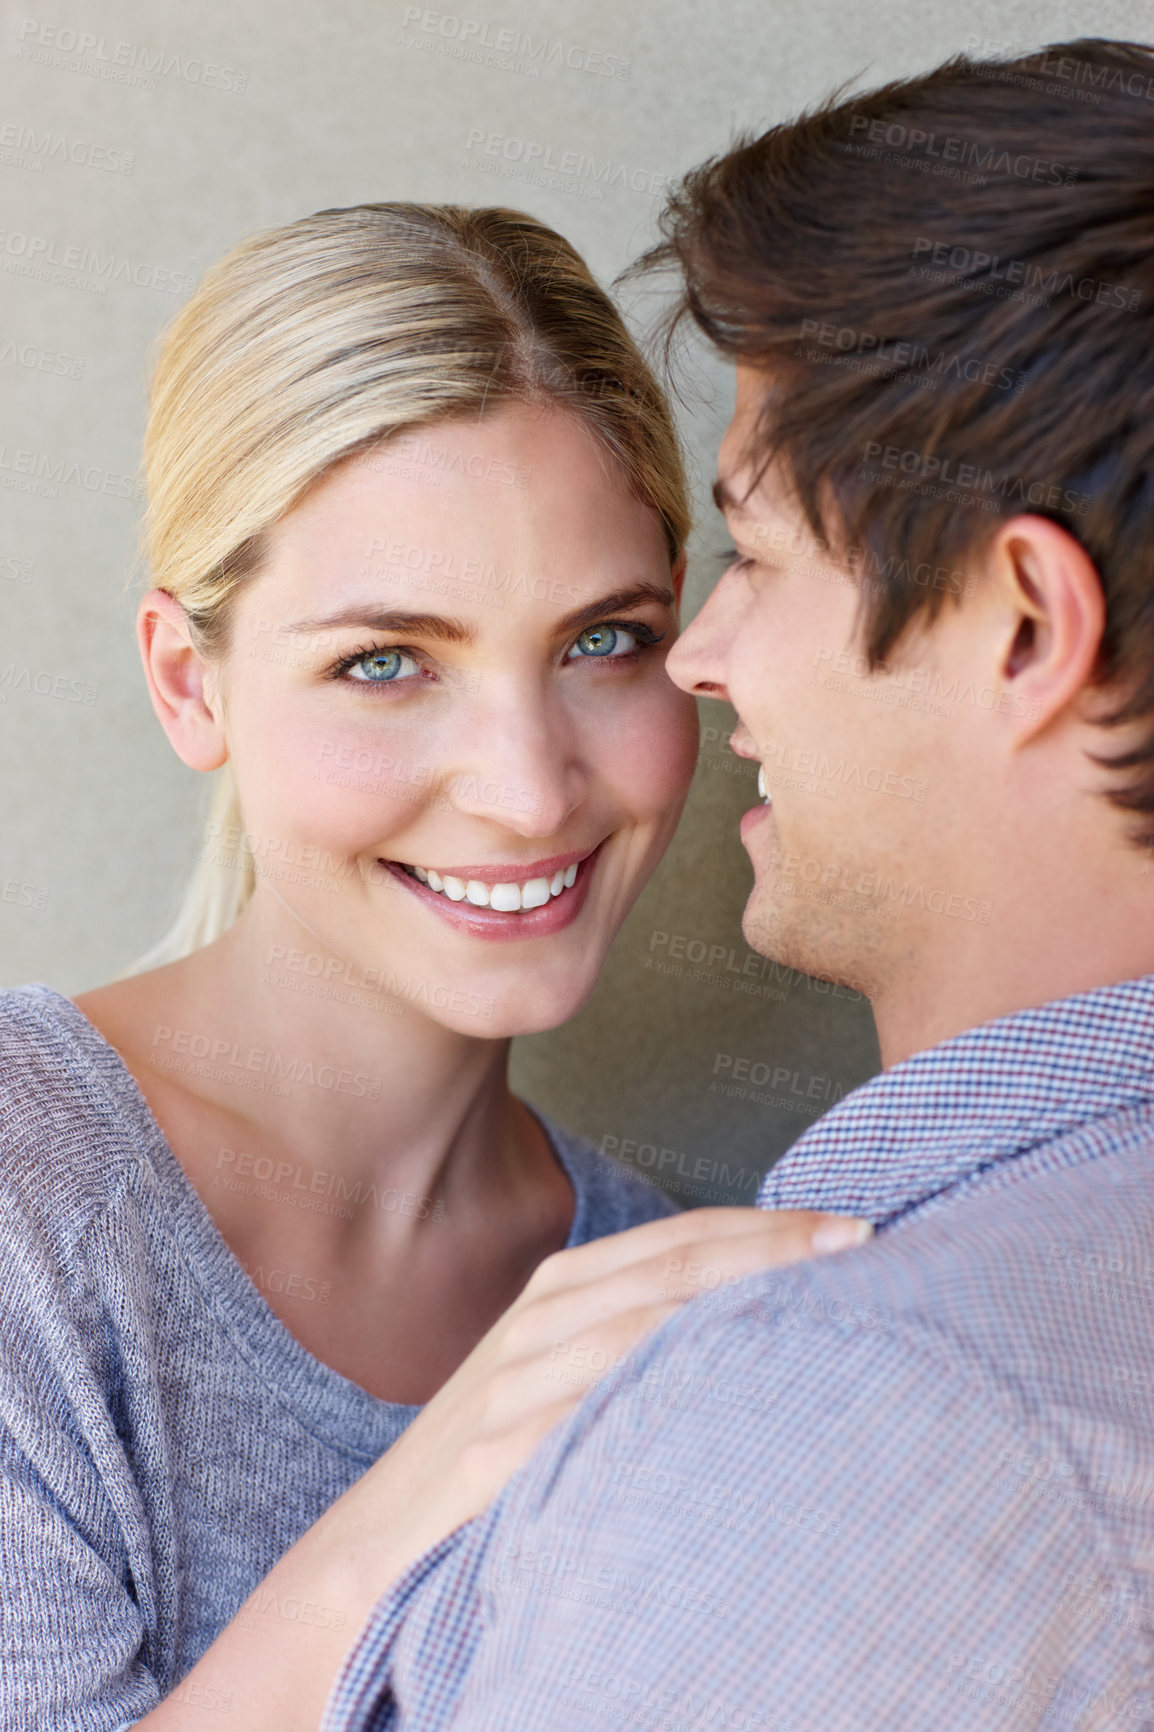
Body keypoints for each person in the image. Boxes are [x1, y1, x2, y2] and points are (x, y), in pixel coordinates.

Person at [319, 37, 1154, 1731]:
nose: (700, 660)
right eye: (389, 658)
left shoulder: (855, 1420)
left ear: (1020, 627)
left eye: (752, 557)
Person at [0, 205, 869, 1730]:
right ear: (185, 683)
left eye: (603, 640)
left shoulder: (659, 1281)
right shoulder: (28, 1200)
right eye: (385, 662)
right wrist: (406, 1518)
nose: (529, 790)